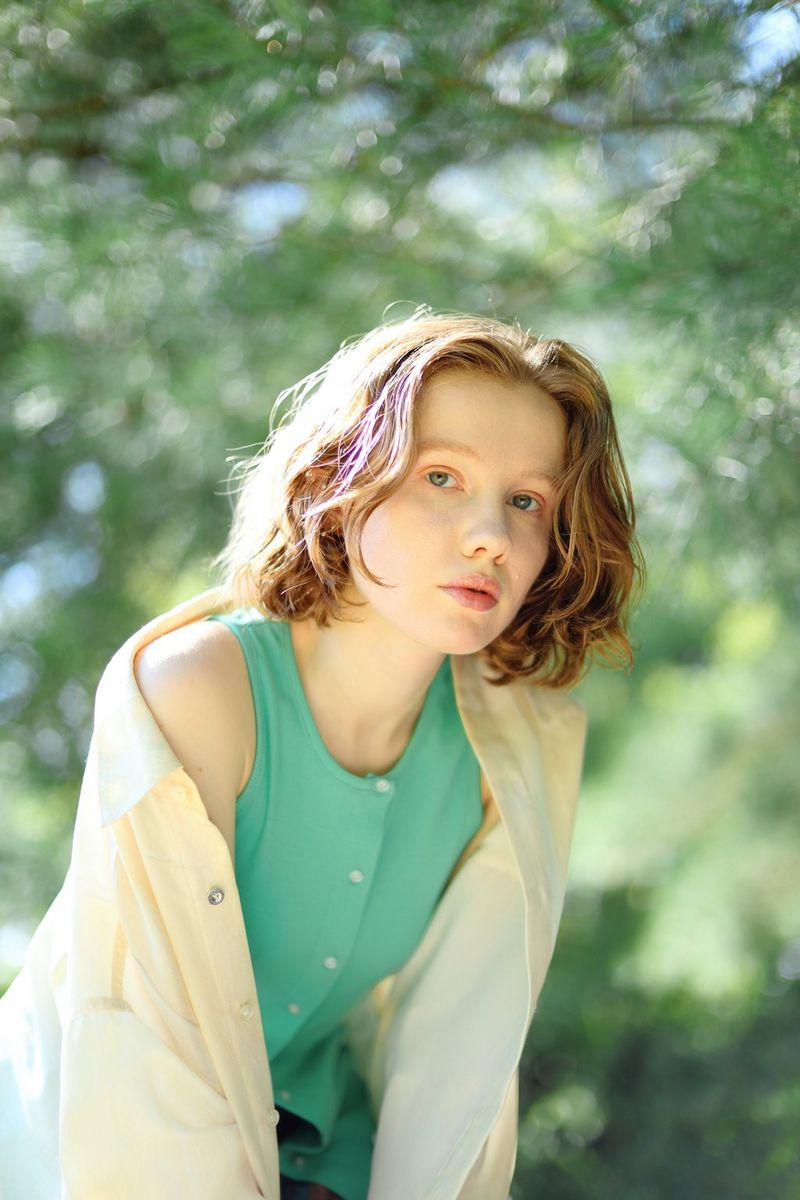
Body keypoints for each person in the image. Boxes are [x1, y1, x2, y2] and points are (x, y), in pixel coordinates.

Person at [0, 307, 642, 1199]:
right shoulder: (200, 691)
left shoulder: (511, 748)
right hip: (91, 1145)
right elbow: (148, 1048)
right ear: (342, 482)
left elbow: (458, 1058)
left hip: (321, 1145)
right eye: (442, 477)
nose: (491, 532)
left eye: (527, 500)